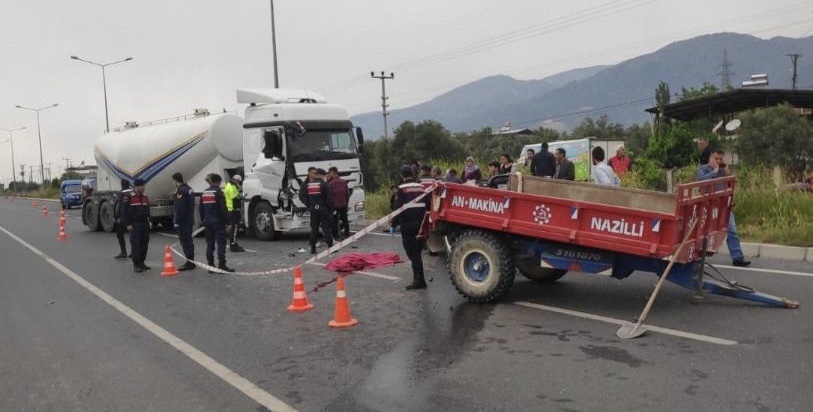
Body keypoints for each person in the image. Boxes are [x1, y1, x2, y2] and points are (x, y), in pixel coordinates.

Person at [697, 149, 751, 267]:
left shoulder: (723, 171)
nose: (718, 161)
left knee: (732, 230)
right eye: (716, 159)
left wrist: (726, 172)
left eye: (720, 159)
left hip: (723, 205)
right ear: (710, 158)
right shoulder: (703, 169)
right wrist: (715, 171)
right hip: (708, 206)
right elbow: (702, 181)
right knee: (703, 233)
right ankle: (695, 257)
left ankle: (737, 257)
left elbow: (729, 185)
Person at [391, 165, 430, 290]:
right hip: (421, 223)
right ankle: (420, 279)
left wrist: (393, 224)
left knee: (412, 252)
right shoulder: (421, 187)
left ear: (402, 175)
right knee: (417, 252)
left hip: (407, 224)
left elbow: (398, 208)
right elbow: (428, 204)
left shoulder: (401, 188)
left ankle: (418, 280)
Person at [200, 173, 235, 272]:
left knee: (210, 244)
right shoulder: (218, 192)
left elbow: (201, 209)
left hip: (207, 222)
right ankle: (222, 265)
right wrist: (228, 222)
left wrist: (204, 220)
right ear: (219, 182)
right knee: (221, 244)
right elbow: (223, 209)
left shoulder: (205, 193)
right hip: (217, 222)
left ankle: (210, 266)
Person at [299, 167, 334, 254]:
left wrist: (310, 206)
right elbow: (329, 198)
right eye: (324, 175)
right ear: (321, 175)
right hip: (323, 209)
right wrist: (331, 209)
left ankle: (313, 248)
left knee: (314, 229)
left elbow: (305, 198)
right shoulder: (324, 184)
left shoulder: (309, 185)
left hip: (313, 210)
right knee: (326, 228)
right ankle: (330, 247)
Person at [124, 178, 151, 273]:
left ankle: (142, 262)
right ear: (136, 187)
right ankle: (136, 264)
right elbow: (125, 212)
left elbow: (148, 210)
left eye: (144, 185)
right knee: (136, 244)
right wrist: (128, 224)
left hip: (144, 224)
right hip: (135, 224)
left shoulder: (145, 197)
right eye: (141, 186)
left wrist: (149, 221)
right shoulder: (129, 197)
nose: (143, 188)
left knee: (144, 244)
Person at [172, 172, 196, 271]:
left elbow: (180, 207)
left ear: (175, 180)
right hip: (189, 219)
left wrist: (177, 221)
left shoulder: (180, 191)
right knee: (189, 241)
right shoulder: (189, 188)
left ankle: (189, 262)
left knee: (185, 241)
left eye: (173, 180)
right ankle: (191, 261)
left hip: (183, 221)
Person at [223, 174, 245, 252]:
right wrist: (242, 196)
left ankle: (233, 243)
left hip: (230, 209)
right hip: (234, 209)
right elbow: (235, 198)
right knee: (235, 228)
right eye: (238, 181)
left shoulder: (228, 185)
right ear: (236, 180)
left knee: (233, 228)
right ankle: (233, 245)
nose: (238, 183)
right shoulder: (232, 186)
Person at [328, 166, 350, 240]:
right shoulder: (344, 182)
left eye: (330, 173)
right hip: (343, 204)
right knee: (344, 219)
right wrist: (346, 203)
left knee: (334, 220)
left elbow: (329, 196)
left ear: (333, 173)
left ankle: (336, 236)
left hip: (335, 206)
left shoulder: (331, 184)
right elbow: (347, 194)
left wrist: (330, 206)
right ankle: (347, 234)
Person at [114, 178, 133, 259]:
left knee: (120, 234)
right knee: (132, 235)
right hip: (132, 216)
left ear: (121, 184)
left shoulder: (122, 193)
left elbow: (121, 207)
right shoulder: (132, 192)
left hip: (124, 218)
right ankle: (133, 251)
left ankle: (123, 252)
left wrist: (115, 216)